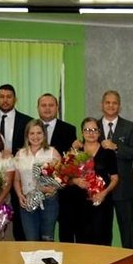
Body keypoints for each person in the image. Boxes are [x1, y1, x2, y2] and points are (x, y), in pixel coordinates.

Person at [0, 84, 32, 241]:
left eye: (8, 97)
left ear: (15, 99)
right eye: (2, 96)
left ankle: (18, 249)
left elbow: (30, 145)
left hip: (17, 174)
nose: (5, 100)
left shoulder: (26, 120)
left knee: (17, 217)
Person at [99, 90, 133, 249]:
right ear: (102, 105)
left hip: (124, 187)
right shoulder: (93, 127)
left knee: (127, 228)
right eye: (107, 102)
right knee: (102, 229)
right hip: (100, 187)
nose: (111, 106)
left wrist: (116, 147)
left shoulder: (129, 127)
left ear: (120, 106)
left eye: (114, 103)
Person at [36, 93, 78, 243]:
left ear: (57, 108)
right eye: (43, 105)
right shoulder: (31, 129)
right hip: (36, 191)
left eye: (51, 105)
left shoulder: (69, 129)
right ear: (38, 108)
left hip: (63, 191)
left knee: (65, 230)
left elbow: (70, 161)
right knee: (38, 232)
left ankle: (66, 263)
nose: (47, 109)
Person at [72, 117, 119, 245]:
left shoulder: (108, 153)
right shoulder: (76, 153)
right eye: (87, 130)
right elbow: (67, 177)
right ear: (82, 133)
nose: (91, 133)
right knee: (82, 238)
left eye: (94, 130)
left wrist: (103, 194)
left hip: (102, 201)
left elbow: (115, 178)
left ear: (99, 132)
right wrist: (76, 181)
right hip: (81, 202)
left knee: (102, 237)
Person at [13, 119, 62, 241]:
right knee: (31, 240)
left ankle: (47, 260)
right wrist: (19, 195)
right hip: (27, 200)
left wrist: (52, 187)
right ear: (27, 135)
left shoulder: (52, 153)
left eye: (39, 133)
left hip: (49, 201)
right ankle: (33, 261)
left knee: (47, 239)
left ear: (44, 135)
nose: (35, 137)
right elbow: (16, 180)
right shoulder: (20, 154)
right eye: (32, 133)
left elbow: (62, 178)